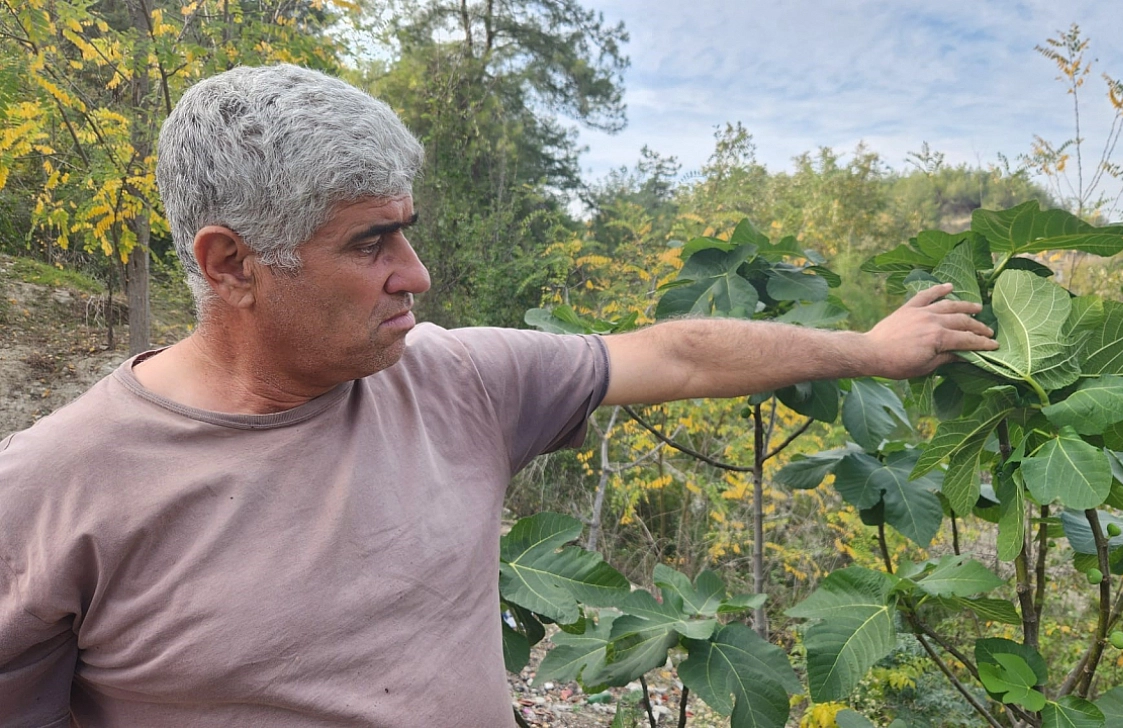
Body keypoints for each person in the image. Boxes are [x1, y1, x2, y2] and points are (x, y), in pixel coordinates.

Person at [0, 65, 997, 727]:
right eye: (369, 241)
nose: (417, 273)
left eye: (408, 229)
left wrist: (870, 348)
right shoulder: (53, 488)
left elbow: (678, 352)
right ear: (232, 263)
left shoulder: (455, 380)